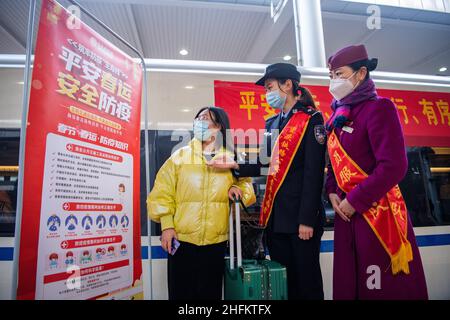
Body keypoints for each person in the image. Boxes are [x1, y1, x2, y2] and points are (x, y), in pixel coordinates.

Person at [209, 63, 326, 300]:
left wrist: (306, 220)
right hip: (276, 219)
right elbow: (265, 164)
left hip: (300, 221)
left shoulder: (312, 119)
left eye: (269, 87)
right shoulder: (272, 123)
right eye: (265, 90)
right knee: (283, 282)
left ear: (288, 85)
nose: (267, 94)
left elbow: (314, 174)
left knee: (307, 283)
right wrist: (234, 163)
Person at [325, 44, 428, 300]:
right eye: (331, 76)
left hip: (376, 214)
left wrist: (354, 201)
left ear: (361, 73)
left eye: (340, 74)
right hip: (346, 214)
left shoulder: (379, 108)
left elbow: (394, 166)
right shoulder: (339, 115)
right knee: (351, 282)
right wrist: (331, 193)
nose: (334, 81)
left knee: (379, 286)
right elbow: (334, 165)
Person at [147, 106, 256, 300]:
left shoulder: (231, 158)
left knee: (209, 295)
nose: (199, 122)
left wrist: (238, 191)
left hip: (216, 243)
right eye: (198, 118)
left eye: (206, 118)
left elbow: (247, 188)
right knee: (181, 294)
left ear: (218, 127)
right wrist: (167, 226)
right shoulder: (179, 157)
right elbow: (162, 193)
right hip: (181, 241)